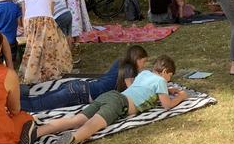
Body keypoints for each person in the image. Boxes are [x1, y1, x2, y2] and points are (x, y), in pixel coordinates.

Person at [51, 55, 190, 144]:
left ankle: (38, 131)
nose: (168, 81)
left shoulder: (144, 73)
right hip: (119, 103)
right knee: (93, 125)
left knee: (76, 120)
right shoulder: (160, 81)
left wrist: (168, 89)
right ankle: (72, 139)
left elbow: (143, 88)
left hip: (110, 96)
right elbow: (167, 105)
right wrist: (181, 96)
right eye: (169, 77)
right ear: (165, 71)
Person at [17, 46, 150, 112]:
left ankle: (12, 101)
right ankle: (8, 104)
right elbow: (133, 91)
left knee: (39, 100)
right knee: (37, 106)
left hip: (78, 88)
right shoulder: (129, 69)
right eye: (143, 62)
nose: (143, 66)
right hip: (80, 93)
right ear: (137, 60)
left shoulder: (121, 62)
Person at [18, 0, 72, 84]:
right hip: (47, 21)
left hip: (30, 21)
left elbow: (24, 11)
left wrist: (25, 28)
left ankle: (32, 73)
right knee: (49, 48)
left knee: (33, 47)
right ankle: (50, 73)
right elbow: (51, 11)